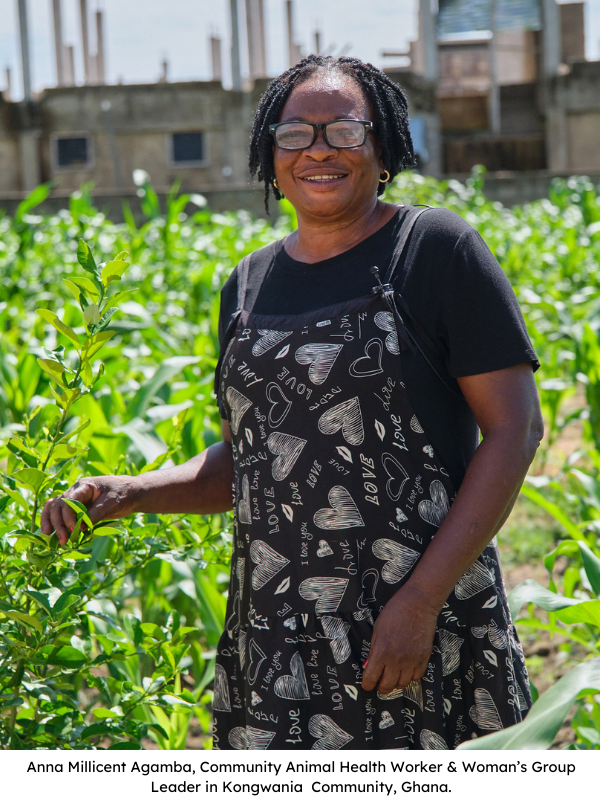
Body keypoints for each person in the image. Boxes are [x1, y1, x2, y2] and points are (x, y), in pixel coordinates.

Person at [42, 55, 544, 751]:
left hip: (412, 620)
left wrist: (421, 602)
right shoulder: (247, 286)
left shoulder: (434, 250)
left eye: (343, 130)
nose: (317, 150)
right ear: (269, 155)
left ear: (383, 146)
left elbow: (515, 429)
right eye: (294, 134)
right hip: (280, 632)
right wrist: (131, 492)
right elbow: (250, 462)